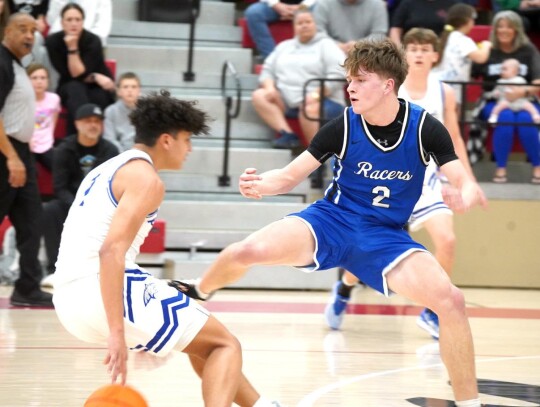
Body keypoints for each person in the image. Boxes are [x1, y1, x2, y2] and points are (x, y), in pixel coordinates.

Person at [177, 37, 486, 406]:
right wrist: (262, 184)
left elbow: (464, 180)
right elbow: (291, 175)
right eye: (349, 79)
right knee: (248, 250)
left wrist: (464, 194)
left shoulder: (425, 128)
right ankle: (200, 290)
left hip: (385, 238)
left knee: (451, 300)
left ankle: (470, 404)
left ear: (387, 85)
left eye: (360, 79)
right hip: (332, 221)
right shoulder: (342, 124)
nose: (350, 86)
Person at [52, 90, 282, 407]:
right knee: (225, 345)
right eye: (187, 140)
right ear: (166, 140)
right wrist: (118, 331)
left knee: (205, 342)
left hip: (67, 298)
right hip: (98, 289)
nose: (189, 149)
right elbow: (110, 252)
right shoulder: (145, 179)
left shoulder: (107, 168)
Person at [324, 28, 487, 338]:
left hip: (425, 182)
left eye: (426, 49)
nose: (419, 54)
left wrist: (468, 181)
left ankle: (433, 311)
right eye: (413, 49)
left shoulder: (443, 92)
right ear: (405, 54)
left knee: (448, 241)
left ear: (435, 55)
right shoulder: (389, 89)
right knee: (365, 256)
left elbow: (452, 138)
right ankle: (344, 289)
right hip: (386, 182)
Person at [0, 13, 53, 307]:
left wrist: (20, 157)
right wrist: (11, 158)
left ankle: (27, 288)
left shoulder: (18, 65)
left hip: (20, 152)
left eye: (33, 30)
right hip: (6, 153)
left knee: (32, 221)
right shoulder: (1, 62)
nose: (29, 35)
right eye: (22, 29)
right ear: (6, 31)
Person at [40, 103, 118, 287]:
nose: (93, 125)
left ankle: (104, 270)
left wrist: (94, 207)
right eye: (88, 121)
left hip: (101, 205)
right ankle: (54, 270)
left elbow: (114, 187)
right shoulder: (64, 150)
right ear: (77, 124)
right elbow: (60, 188)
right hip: (71, 202)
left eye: (97, 121)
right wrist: (79, 206)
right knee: (50, 210)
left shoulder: (111, 151)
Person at [253, 8, 346, 149]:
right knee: (260, 95)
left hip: (324, 101)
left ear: (315, 24)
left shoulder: (327, 45)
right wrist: (270, 87)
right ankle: (288, 134)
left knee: (308, 108)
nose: (304, 25)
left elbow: (341, 72)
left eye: (308, 22)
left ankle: (315, 155)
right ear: (294, 27)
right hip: (287, 101)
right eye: (300, 23)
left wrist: (316, 95)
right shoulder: (284, 47)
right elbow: (267, 71)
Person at [472, 10, 540, 183]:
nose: (503, 30)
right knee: (505, 117)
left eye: (508, 26)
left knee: (525, 118)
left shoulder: (528, 50)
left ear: (516, 29)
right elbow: (472, 72)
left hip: (525, 99)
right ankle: (500, 168)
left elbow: (538, 81)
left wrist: (522, 92)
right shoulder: (489, 49)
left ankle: (537, 167)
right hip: (494, 100)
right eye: (499, 26)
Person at [45, 3, 115, 135]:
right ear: (62, 22)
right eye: (69, 20)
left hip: (96, 86)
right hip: (69, 85)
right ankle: (79, 137)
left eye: (78, 19)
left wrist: (94, 77)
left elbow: (85, 71)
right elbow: (73, 74)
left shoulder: (93, 40)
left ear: (83, 22)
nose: (74, 23)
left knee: (98, 96)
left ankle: (94, 141)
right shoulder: (53, 42)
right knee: (75, 88)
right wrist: (72, 48)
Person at [435, 3, 492, 108]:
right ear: (467, 20)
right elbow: (480, 57)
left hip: (439, 86)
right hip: (451, 89)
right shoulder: (462, 40)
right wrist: (486, 45)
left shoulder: (447, 37)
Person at [244, 0, 316, 60]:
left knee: (322, 9)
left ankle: (311, 57)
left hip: (307, 6)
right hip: (275, 5)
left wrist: (302, 8)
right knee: (254, 13)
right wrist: (276, 5)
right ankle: (272, 59)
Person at [313, 0, 388, 55]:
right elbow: (317, 32)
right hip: (329, 53)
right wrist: (336, 46)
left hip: (367, 54)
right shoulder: (323, 3)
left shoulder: (377, 4)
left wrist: (359, 45)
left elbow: (380, 34)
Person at [27, 63, 60, 171]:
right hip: (27, 144)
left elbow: (54, 119)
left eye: (43, 78)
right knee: (32, 171)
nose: (39, 81)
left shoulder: (54, 99)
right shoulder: (23, 101)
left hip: (47, 144)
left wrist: (49, 137)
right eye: (34, 78)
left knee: (60, 167)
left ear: (48, 81)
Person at [488, 58, 540, 124]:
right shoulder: (500, 81)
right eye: (501, 69)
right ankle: (494, 116)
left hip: (520, 102)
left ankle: (536, 116)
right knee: (498, 107)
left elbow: (526, 90)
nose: (501, 71)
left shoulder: (521, 80)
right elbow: (496, 90)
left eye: (504, 69)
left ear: (514, 71)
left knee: (529, 106)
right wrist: (496, 93)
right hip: (506, 101)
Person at [389, 0, 457, 46]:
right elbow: (396, 28)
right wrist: (399, 50)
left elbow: (458, 29)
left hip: (442, 50)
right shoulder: (408, 3)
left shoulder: (452, 4)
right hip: (411, 49)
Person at [103, 72, 141, 152]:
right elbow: (109, 139)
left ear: (139, 91)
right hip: (118, 155)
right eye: (125, 87)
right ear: (118, 91)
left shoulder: (146, 111)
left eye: (134, 87)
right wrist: (124, 155)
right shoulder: (110, 111)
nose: (130, 90)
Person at [46, 0, 111, 46]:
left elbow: (102, 28)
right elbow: (51, 20)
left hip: (88, 45)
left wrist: (80, 40)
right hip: (60, 42)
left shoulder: (103, 1)